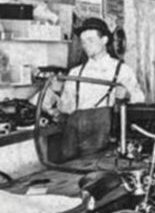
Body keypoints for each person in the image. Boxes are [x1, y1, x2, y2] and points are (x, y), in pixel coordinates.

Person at [54, 17, 144, 159]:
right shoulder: (76, 72)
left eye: (90, 40)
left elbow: (140, 98)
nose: (85, 45)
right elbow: (66, 108)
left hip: (103, 136)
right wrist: (58, 91)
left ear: (104, 40)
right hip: (75, 132)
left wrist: (127, 95)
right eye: (83, 41)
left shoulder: (121, 70)